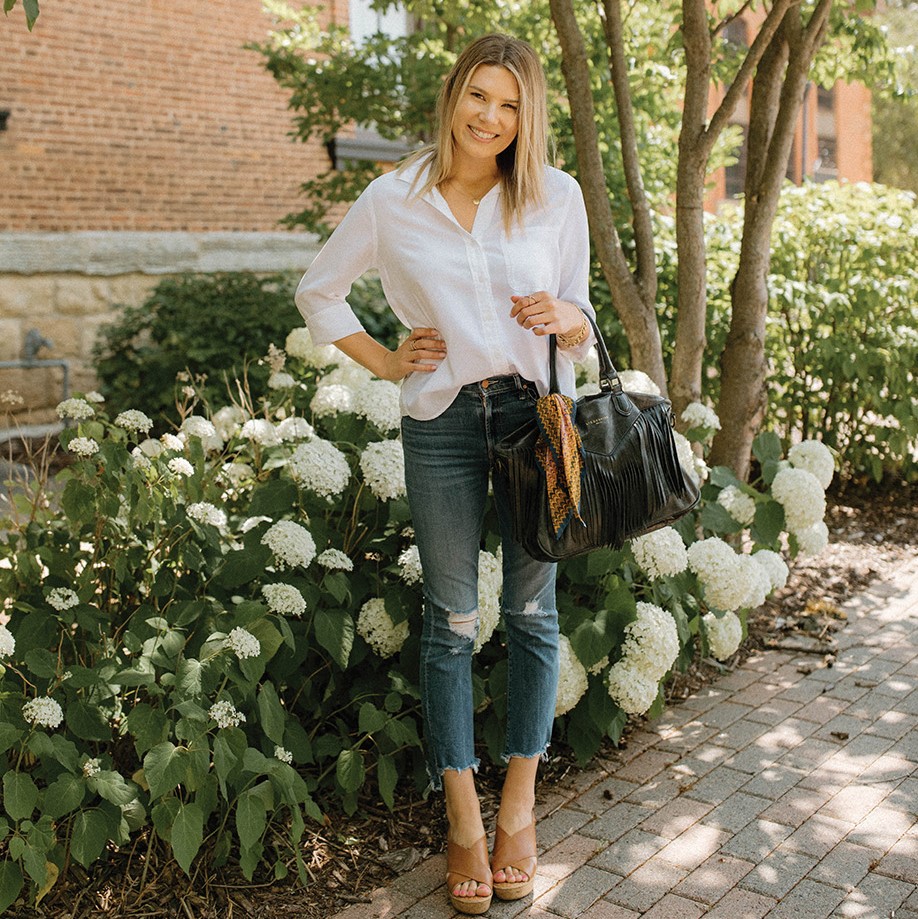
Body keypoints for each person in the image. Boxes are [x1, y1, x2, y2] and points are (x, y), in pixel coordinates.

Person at [294, 33, 595, 915]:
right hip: (442, 423)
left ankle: (519, 809)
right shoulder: (396, 197)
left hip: (535, 420)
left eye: (509, 106)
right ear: (453, 96)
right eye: (479, 98)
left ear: (525, 113)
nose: (491, 120)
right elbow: (321, 289)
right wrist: (388, 361)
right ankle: (464, 821)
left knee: (533, 615)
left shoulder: (556, 195)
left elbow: (581, 316)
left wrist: (565, 315)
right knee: (451, 622)